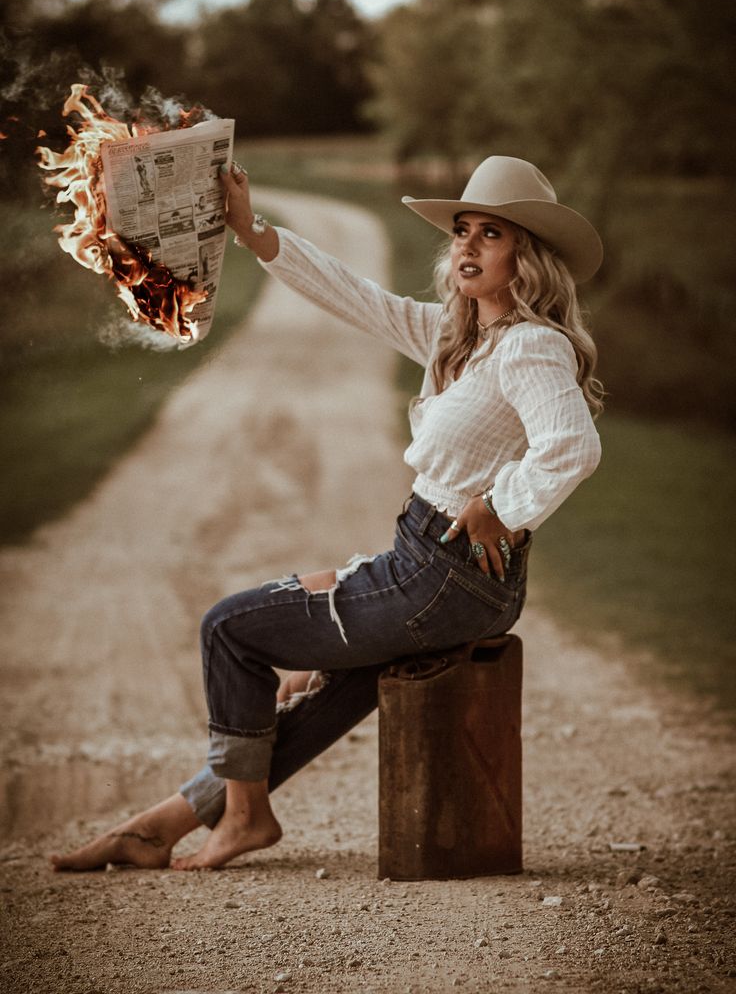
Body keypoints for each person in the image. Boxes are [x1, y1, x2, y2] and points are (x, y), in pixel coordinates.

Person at [52, 155, 604, 872]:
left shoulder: (532, 346)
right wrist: (253, 233)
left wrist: (502, 506)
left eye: (490, 234)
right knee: (327, 692)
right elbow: (357, 296)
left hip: (442, 577)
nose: (466, 246)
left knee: (230, 629)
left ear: (527, 255)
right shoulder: (461, 339)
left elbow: (572, 447)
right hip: (434, 572)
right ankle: (164, 823)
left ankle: (247, 817)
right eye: (462, 230)